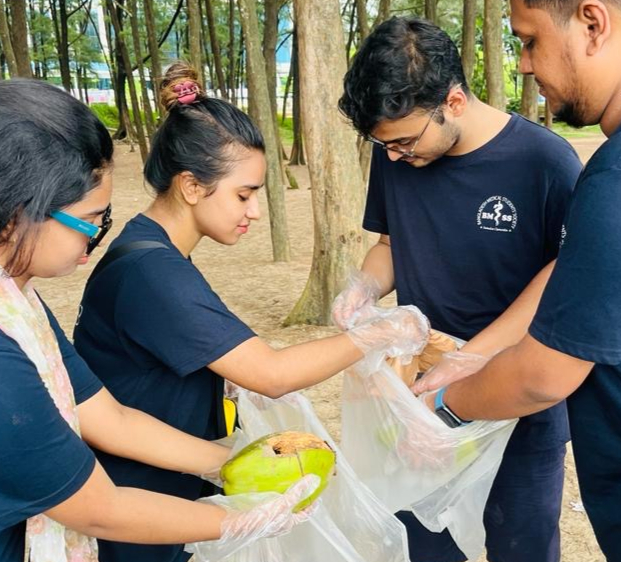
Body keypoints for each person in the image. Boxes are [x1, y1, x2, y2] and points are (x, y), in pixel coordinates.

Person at [414, 0, 621, 560]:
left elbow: (543, 376)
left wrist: (443, 404)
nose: (521, 64)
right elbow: (588, 274)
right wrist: (474, 354)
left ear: (593, 24)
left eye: (530, 40)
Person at [71, 62, 428, 562]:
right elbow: (272, 373)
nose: (255, 211)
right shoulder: (152, 272)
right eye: (244, 194)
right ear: (192, 186)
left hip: (161, 483)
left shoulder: (151, 247)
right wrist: (380, 333)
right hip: (135, 499)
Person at [0, 78, 323, 562]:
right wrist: (241, 517)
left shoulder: (20, 304)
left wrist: (232, 463)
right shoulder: (3, 353)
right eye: (91, 221)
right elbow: (100, 509)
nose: (98, 238)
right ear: (17, 214)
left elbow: (110, 417)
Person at [335, 17, 583, 562]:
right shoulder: (395, 148)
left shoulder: (544, 162)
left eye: (403, 142)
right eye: (385, 146)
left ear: (454, 101)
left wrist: (468, 360)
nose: (395, 157)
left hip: (516, 401)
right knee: (423, 543)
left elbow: (563, 277)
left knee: (521, 545)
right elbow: (392, 241)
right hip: (417, 393)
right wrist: (363, 286)